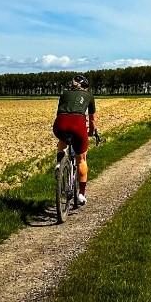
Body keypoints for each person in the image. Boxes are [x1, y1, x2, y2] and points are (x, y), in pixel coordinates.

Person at [53, 74, 96, 205]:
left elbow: (60, 112)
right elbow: (92, 119)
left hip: (60, 124)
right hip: (78, 125)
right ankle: (81, 194)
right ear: (85, 87)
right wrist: (91, 132)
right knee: (81, 159)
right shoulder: (89, 96)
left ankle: (60, 162)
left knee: (63, 139)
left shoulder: (64, 94)